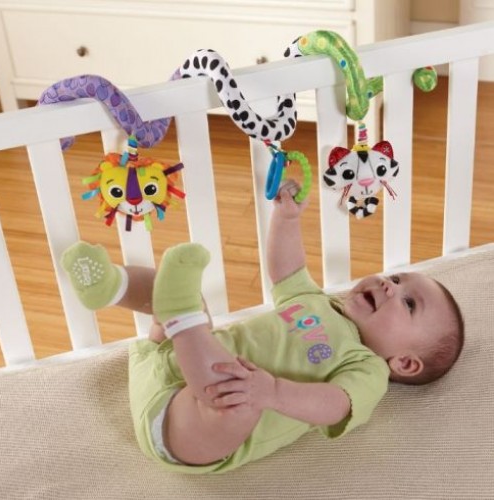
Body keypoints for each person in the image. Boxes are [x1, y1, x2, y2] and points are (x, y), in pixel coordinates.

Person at [60, 181, 464, 474]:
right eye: (396, 278)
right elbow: (287, 270)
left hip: (188, 429)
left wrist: (271, 392)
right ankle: (113, 286)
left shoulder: (368, 368)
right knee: (182, 300)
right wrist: (287, 218)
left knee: (237, 400)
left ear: (405, 363)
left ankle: (182, 317)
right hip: (174, 363)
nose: (390, 286)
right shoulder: (319, 302)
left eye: (409, 303)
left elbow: (335, 404)